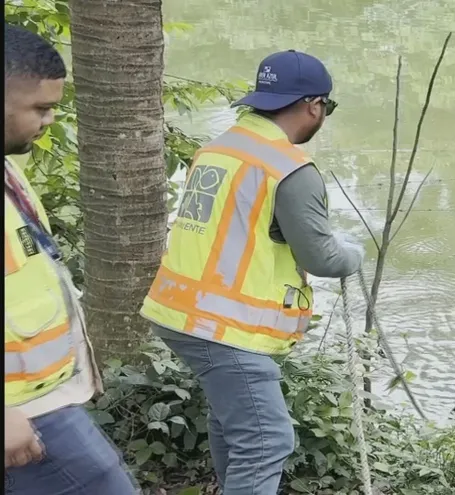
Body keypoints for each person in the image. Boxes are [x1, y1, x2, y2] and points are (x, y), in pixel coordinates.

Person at [140, 49, 364, 495]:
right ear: (313, 105)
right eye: (327, 107)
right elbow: (321, 256)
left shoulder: (218, 149)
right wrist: (354, 254)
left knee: (233, 424)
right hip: (224, 327)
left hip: (178, 309)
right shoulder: (289, 167)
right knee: (266, 442)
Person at [4, 25, 139, 494]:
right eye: (40, 108)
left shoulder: (7, 170)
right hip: (23, 414)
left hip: (38, 399)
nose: (49, 121)